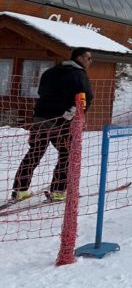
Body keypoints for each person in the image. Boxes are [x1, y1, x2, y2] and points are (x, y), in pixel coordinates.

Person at [11, 48, 94, 202]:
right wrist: (72, 114)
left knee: (34, 152)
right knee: (66, 155)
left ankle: (20, 190)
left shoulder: (50, 72)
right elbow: (86, 98)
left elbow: (41, 92)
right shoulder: (79, 75)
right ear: (79, 58)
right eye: (89, 58)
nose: (90, 61)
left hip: (40, 118)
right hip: (61, 121)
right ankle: (58, 191)